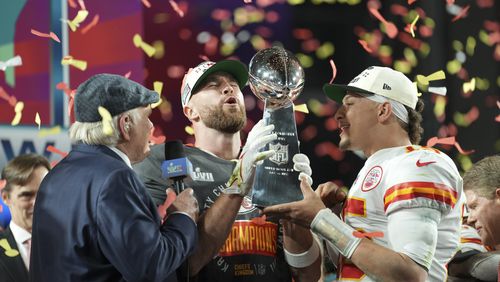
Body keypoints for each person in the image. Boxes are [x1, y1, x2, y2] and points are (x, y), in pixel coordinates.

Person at [263, 66, 464, 281]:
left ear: (383, 111)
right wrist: (333, 212)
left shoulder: (419, 164)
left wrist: (321, 219)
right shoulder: (384, 165)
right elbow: (356, 262)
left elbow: (411, 275)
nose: (338, 114)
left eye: (349, 104)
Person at [134, 60, 321, 281]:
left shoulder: (272, 163)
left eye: (234, 84)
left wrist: (294, 204)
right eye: (213, 85)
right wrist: (240, 178)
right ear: (190, 110)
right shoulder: (165, 160)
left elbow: (308, 274)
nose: (228, 88)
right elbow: (167, 265)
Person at [30, 74, 199, 282]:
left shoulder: (55, 175)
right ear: (125, 125)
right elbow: (150, 266)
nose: (151, 127)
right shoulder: (115, 178)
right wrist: (182, 217)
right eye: (146, 116)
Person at [0, 154, 50, 282]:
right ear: (6, 198)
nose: (37, 203)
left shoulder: (72, 245)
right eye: (26, 195)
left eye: (43, 194)